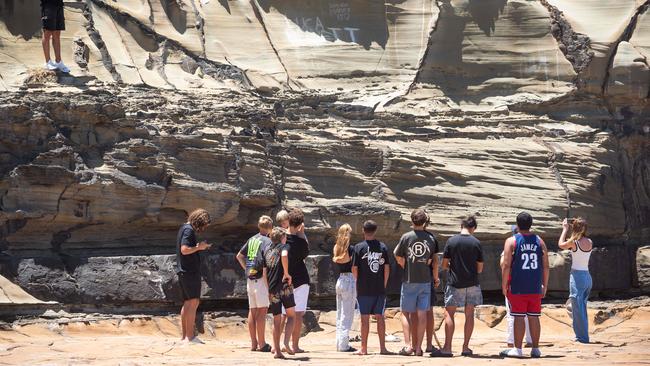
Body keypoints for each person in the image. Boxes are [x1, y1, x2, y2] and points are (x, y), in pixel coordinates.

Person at [432, 215, 483, 357]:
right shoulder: (476, 243)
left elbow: (444, 264)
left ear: (462, 226)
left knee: (449, 313)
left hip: (455, 282)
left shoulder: (452, 241)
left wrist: (452, 267)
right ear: (473, 228)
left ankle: (447, 348)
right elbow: (480, 268)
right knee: (469, 314)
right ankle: (466, 348)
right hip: (472, 282)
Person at [500, 212, 549, 358]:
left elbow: (506, 265)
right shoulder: (540, 241)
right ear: (531, 224)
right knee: (534, 317)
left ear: (517, 223)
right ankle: (535, 349)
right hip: (534, 285)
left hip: (518, 285)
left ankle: (518, 349)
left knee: (518, 316)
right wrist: (544, 285)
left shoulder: (512, 241)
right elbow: (546, 265)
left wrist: (503, 285)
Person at [394, 209, 439, 356]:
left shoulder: (406, 237)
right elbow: (433, 260)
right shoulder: (431, 238)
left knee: (405, 313)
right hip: (425, 281)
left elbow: (397, 255)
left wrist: (405, 264)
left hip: (409, 280)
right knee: (422, 315)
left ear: (412, 221)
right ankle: (419, 347)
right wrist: (435, 276)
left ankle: (408, 346)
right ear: (425, 221)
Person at [352, 220, 393, 356]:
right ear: (375, 231)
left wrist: (357, 283)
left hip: (363, 289)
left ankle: (364, 348)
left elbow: (354, 268)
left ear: (363, 230)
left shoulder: (358, 247)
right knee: (380, 317)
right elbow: (387, 268)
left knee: (364, 319)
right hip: (379, 288)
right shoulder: (382, 247)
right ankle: (383, 348)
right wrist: (384, 284)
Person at [236, 215, 273, 352]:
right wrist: (269, 286)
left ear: (259, 226)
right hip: (260, 280)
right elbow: (265, 265)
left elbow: (239, 256)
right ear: (270, 228)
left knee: (252, 311)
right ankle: (262, 344)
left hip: (250, 280)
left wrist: (246, 268)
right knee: (262, 312)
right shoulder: (267, 241)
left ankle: (253, 343)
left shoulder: (252, 239)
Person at [176, 209, 212, 344]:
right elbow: (184, 250)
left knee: (187, 303)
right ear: (199, 221)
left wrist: (198, 246)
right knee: (193, 302)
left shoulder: (183, 228)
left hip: (184, 271)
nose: (203, 228)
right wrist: (199, 247)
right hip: (190, 271)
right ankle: (190, 337)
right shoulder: (188, 230)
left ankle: (185, 336)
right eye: (204, 225)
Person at [261, 227, 296, 359]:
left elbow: (264, 272)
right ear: (282, 237)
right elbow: (285, 255)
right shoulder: (284, 246)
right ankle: (286, 342)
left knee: (276, 319)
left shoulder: (267, 250)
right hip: (284, 285)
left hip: (272, 288)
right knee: (291, 315)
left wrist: (268, 288)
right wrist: (286, 273)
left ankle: (277, 351)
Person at [558, 217, 592, 343]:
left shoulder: (574, 243)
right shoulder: (589, 241)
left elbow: (561, 244)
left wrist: (565, 229)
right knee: (580, 307)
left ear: (575, 228)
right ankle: (582, 334)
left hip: (577, 277)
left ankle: (582, 338)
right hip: (587, 277)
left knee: (577, 308)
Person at [282, 208, 310, 354]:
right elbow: (305, 253)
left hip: (284, 280)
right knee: (298, 314)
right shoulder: (301, 241)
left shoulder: (281, 238)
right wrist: (302, 232)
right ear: (299, 225)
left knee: (282, 314)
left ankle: (279, 343)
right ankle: (295, 345)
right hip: (301, 279)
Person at [332, 223, 357, 352]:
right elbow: (353, 267)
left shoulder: (336, 248)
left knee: (340, 313)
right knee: (347, 315)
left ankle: (339, 342)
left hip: (340, 280)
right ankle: (343, 345)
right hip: (349, 280)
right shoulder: (351, 249)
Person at [40, 0, 70, 72]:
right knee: (47, 32)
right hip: (48, 5)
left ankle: (58, 61)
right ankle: (48, 62)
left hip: (59, 4)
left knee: (57, 33)